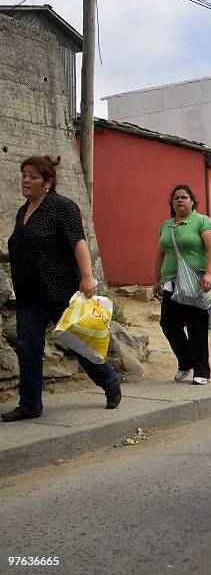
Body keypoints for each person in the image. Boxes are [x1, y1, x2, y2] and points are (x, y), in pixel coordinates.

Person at [0, 155, 121, 422]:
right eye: (24, 175)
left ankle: (110, 382)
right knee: (28, 348)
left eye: (32, 176)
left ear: (48, 182)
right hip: (29, 295)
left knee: (78, 344)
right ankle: (30, 405)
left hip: (59, 291)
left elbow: (79, 242)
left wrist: (87, 277)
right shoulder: (23, 211)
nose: (26, 180)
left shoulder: (62, 207)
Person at [154, 184, 211, 385]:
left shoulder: (202, 221)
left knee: (196, 326)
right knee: (168, 324)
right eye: (176, 198)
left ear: (192, 201)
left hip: (195, 282)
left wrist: (209, 274)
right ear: (172, 203)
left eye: (184, 197)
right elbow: (161, 253)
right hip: (171, 283)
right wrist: (156, 279)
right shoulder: (166, 225)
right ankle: (186, 361)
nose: (180, 201)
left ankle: (202, 371)